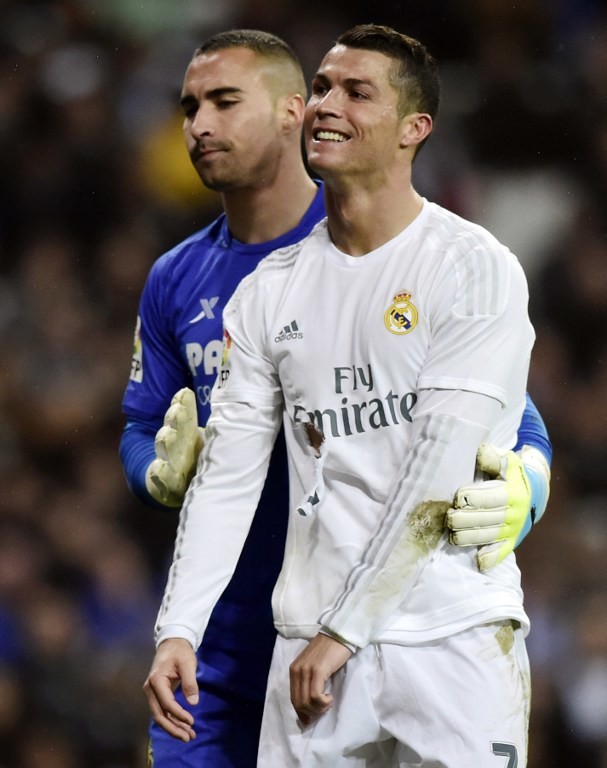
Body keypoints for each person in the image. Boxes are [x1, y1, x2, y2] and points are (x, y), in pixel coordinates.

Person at [126, 28, 550, 768]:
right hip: (302, 643)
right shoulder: (262, 293)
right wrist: (177, 627)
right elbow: (224, 471)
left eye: (356, 92)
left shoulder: (474, 266)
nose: (328, 104)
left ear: (414, 130)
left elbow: (458, 447)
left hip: (445, 633)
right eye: (323, 86)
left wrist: (532, 483)